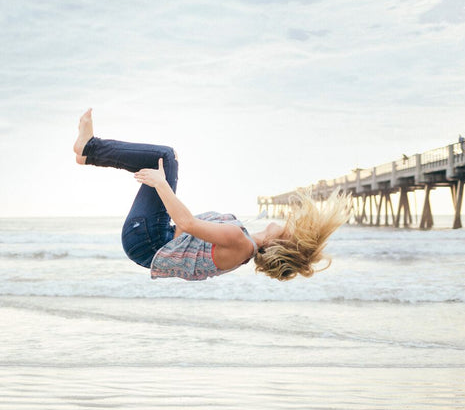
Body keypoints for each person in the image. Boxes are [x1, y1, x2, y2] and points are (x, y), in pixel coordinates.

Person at [73, 109, 348, 281]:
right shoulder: (242, 249)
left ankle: (89, 147)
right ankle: (87, 154)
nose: (289, 223)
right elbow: (187, 236)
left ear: (282, 243)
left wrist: (161, 185)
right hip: (147, 243)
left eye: (292, 229)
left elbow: (188, 223)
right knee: (163, 161)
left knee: (165, 157)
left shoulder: (239, 240)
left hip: (147, 238)